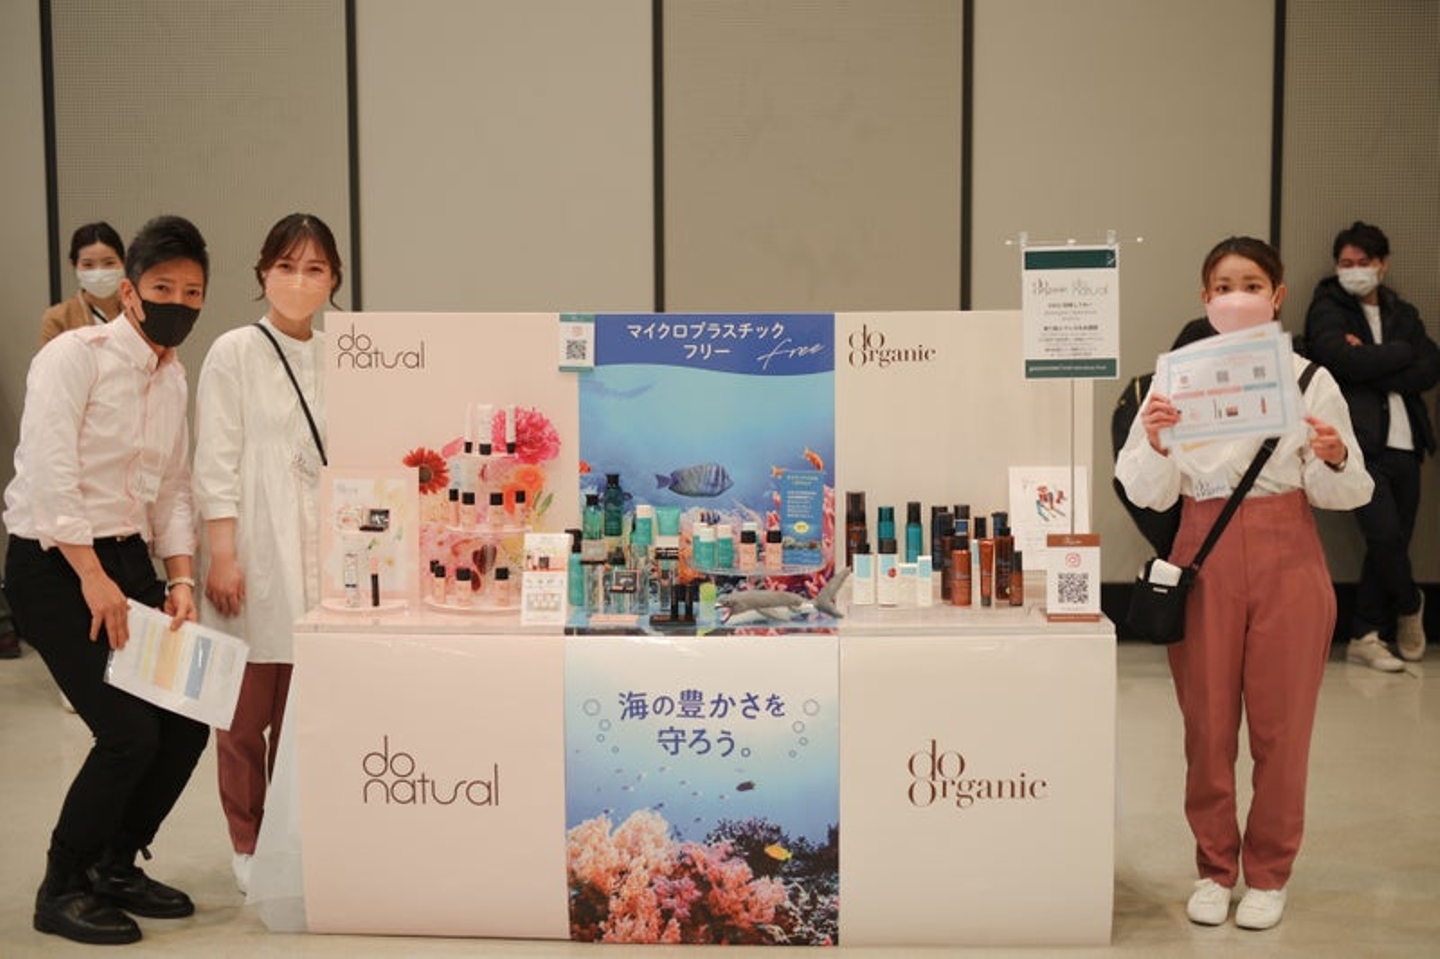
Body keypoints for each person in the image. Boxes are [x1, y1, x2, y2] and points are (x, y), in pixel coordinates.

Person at [1116, 236, 1372, 932]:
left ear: (1277, 295)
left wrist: (1333, 453)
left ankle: (1268, 871)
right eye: (1224, 286)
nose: (1238, 297)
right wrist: (1158, 441)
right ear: (1205, 298)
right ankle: (1213, 867)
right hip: (1205, 551)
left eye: (1252, 284)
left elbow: (1349, 489)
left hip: (1289, 553)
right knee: (1206, 725)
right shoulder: (1174, 378)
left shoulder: (1310, 377)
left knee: (1283, 729)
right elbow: (1144, 487)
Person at [2, 215, 211, 945]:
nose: (177, 303)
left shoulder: (172, 375)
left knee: (185, 721)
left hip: (129, 561)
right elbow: (50, 471)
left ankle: (114, 864)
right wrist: (90, 575)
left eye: (192, 293)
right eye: (163, 288)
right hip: (54, 564)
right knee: (126, 733)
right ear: (129, 291)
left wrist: (180, 579)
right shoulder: (73, 357)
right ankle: (62, 885)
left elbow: (174, 487)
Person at [193, 213, 341, 896]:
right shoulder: (234, 351)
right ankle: (248, 840)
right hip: (254, 545)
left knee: (307, 712)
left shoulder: (343, 353)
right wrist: (222, 554)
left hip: (324, 551)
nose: (299, 280)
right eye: (286, 266)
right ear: (262, 273)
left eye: (314, 268)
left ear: (334, 279)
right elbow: (216, 460)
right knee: (243, 715)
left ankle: (294, 836)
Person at [1304, 222, 1438, 670]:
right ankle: (1410, 602)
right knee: (1383, 534)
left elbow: (1430, 366)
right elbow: (1337, 359)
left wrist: (1369, 362)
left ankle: (1365, 633)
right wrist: (1400, 353)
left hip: (1407, 443)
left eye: (1363, 262)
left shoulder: (1402, 311)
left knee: (1394, 541)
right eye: (1346, 263)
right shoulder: (1328, 305)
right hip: (1360, 444)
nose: (1354, 270)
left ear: (1382, 265)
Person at [40, 222, 127, 346]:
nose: (99, 273)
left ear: (124, 262)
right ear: (74, 265)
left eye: (109, 263)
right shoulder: (58, 318)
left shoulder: (140, 310)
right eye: (88, 265)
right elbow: (49, 358)